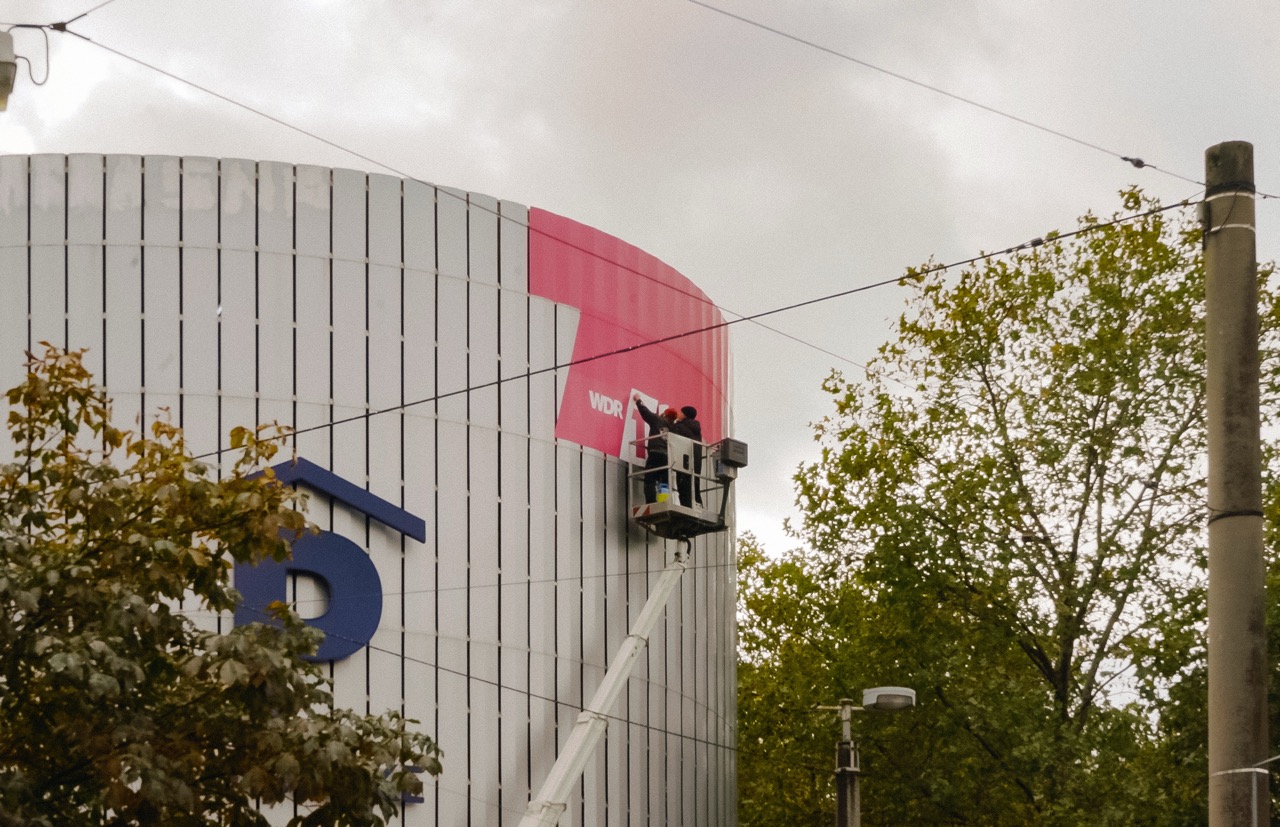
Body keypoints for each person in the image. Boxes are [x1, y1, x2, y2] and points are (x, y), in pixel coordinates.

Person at [633, 395, 677, 503]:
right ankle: (663, 502)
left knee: (650, 480)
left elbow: (645, 412)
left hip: (655, 453)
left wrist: (638, 400)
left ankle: (651, 502)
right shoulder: (675, 429)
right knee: (664, 482)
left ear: (665, 414)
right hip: (667, 457)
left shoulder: (658, 420)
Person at [671, 405, 703, 506]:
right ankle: (699, 507)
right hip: (696, 463)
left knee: (683, 488)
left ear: (685, 414)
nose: (678, 414)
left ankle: (687, 507)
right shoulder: (697, 430)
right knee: (695, 487)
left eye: (681, 412)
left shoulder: (680, 427)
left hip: (684, 462)